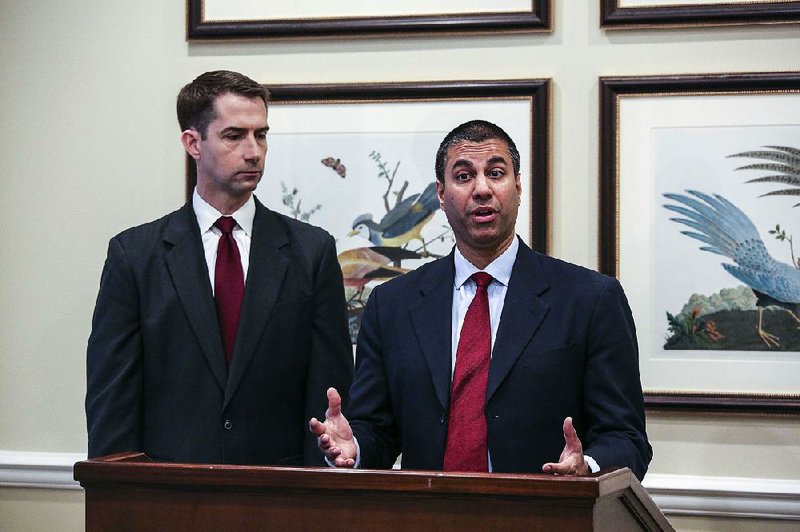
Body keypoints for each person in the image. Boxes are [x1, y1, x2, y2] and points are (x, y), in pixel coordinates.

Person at [309, 120, 651, 480]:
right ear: (441, 194)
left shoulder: (590, 300)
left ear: (518, 187)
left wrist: (587, 469)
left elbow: (626, 437)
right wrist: (354, 448)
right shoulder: (391, 304)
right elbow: (377, 429)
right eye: (464, 176)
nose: (482, 189)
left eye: (496, 173)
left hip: (546, 514)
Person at [86, 70, 353, 465]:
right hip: (170, 498)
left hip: (280, 495)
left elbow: (328, 398)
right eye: (234, 135)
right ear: (193, 143)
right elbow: (113, 403)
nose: (254, 151)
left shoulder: (311, 252)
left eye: (261, 134)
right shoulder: (135, 256)